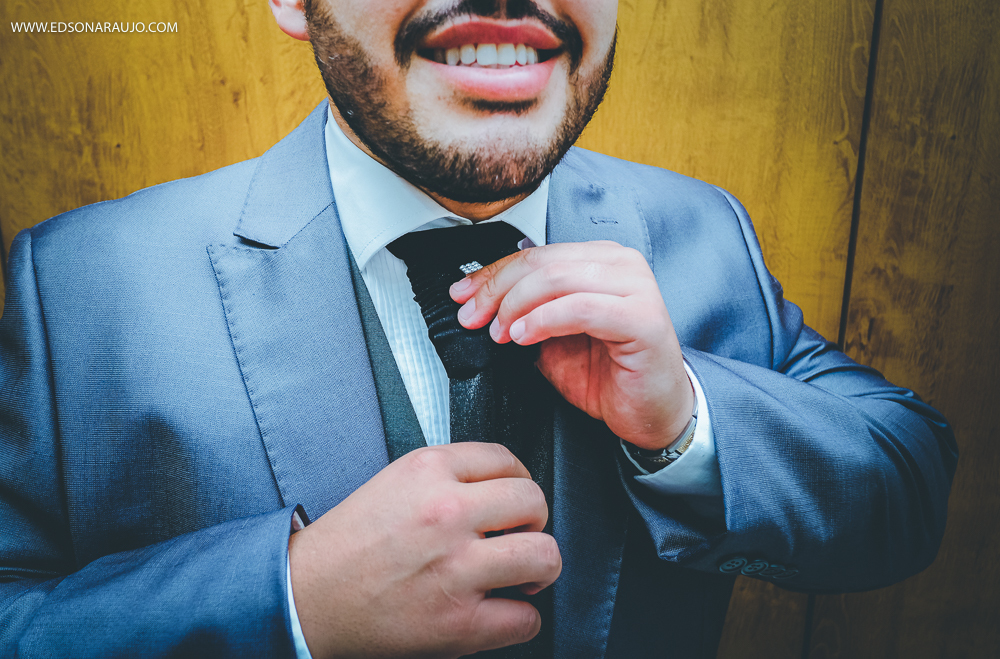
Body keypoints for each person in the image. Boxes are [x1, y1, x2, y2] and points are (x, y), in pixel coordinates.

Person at [0, 0, 957, 657]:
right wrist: (289, 606)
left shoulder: (708, 233)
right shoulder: (80, 282)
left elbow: (908, 475)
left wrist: (689, 425)